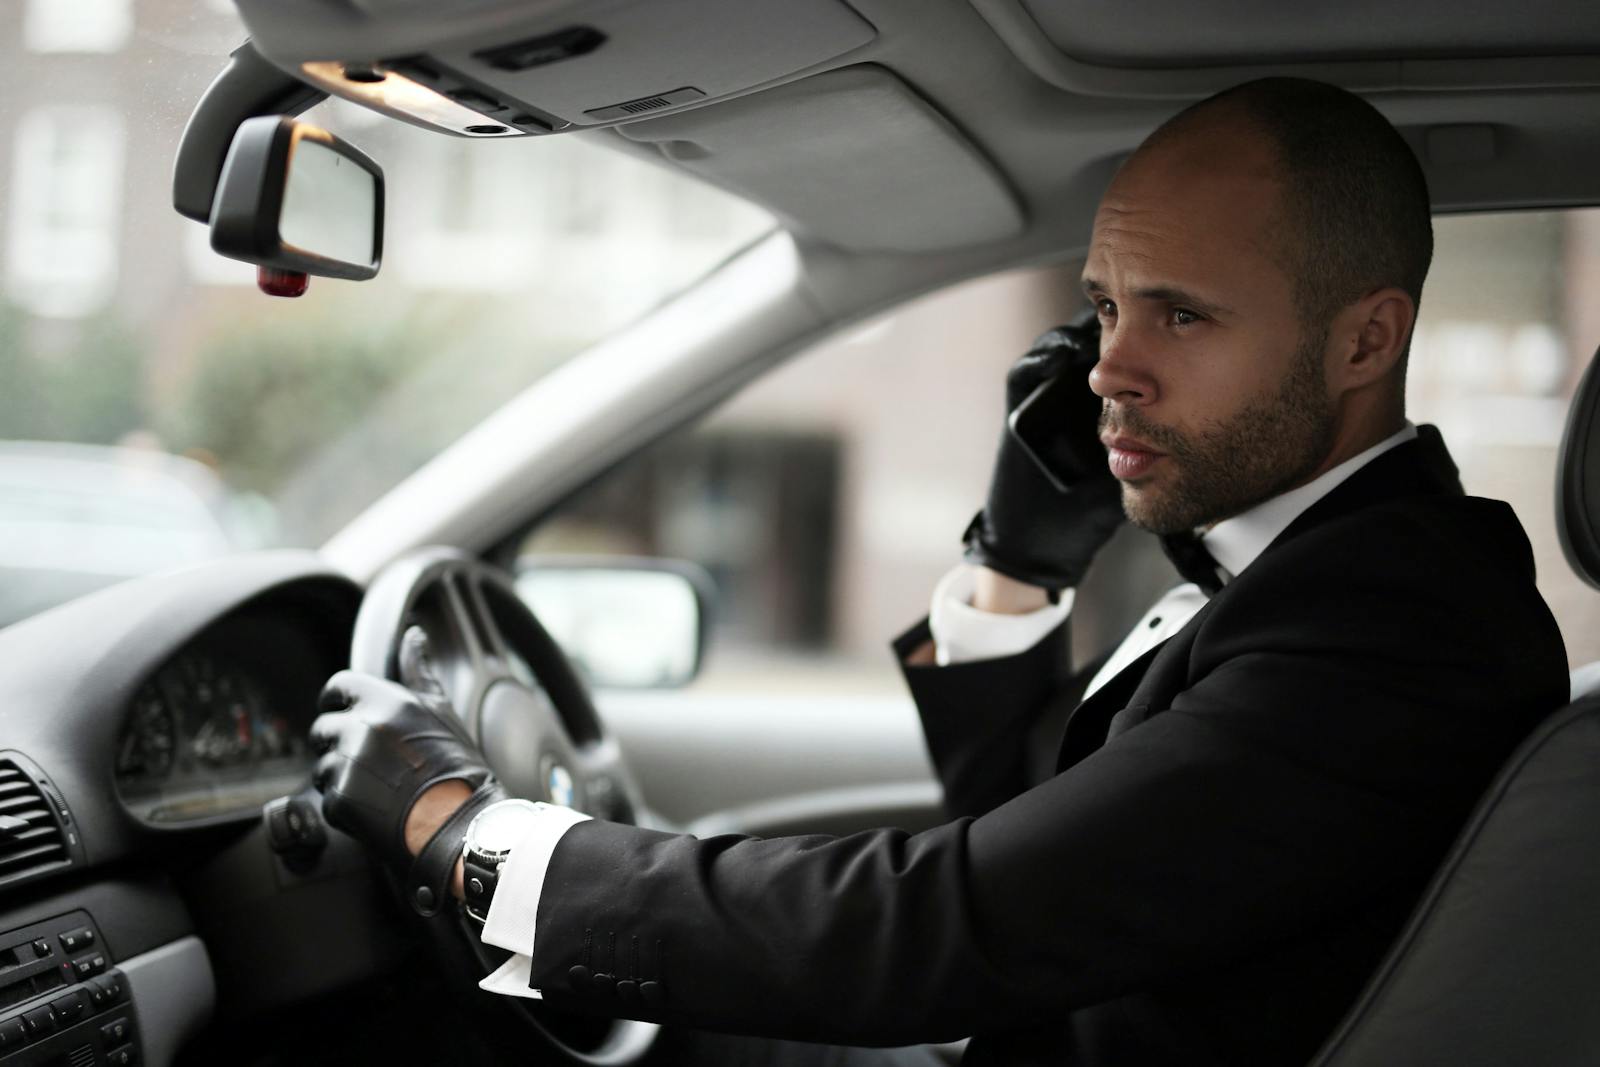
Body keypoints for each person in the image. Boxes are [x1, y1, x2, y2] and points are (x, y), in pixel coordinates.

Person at [309, 77, 1569, 1066]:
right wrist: (1018, 562)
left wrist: (464, 833)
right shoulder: (1328, 569)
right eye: (1104, 305)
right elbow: (1062, 843)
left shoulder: (1396, 621)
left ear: (1365, 338)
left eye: (1181, 314)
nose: (1108, 369)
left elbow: (963, 917)